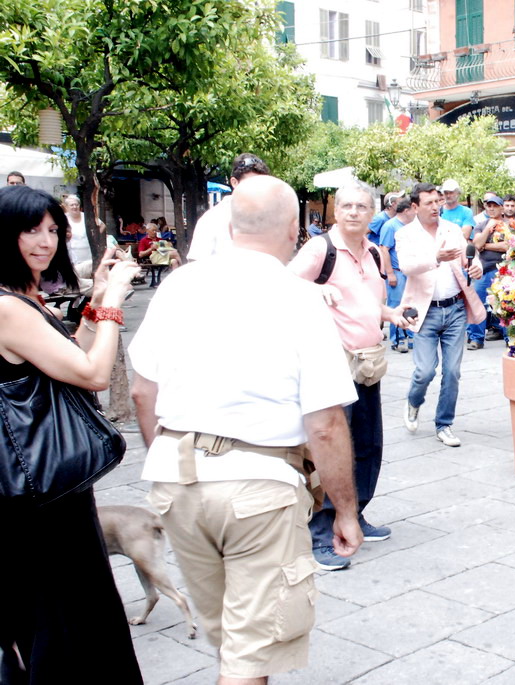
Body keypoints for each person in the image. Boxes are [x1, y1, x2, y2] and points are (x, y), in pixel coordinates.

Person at [130, 175, 363, 683]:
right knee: (249, 654)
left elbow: (143, 392)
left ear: (232, 226)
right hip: (258, 486)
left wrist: (168, 457)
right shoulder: (298, 298)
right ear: (294, 230)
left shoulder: (178, 286)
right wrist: (346, 509)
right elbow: (325, 424)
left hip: (176, 479)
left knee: (229, 641)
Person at [0, 185, 143, 684]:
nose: (45, 241)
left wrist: (97, 300)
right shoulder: (7, 307)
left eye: (53, 230)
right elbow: (93, 374)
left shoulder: (24, 298)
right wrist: (115, 303)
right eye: (30, 230)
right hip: (38, 494)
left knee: (77, 610)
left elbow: (71, 358)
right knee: (65, 616)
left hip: (52, 486)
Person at [290, 181, 411, 569]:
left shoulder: (373, 251)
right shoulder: (320, 249)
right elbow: (284, 287)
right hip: (332, 365)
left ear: (372, 213)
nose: (354, 212)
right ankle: (322, 532)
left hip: (367, 363)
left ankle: (354, 514)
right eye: (347, 206)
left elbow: (369, 302)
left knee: (367, 445)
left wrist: (391, 314)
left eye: (362, 206)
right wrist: (314, 293)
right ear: (336, 212)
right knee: (331, 452)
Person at [396, 182, 485, 448]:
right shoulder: (405, 234)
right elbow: (407, 267)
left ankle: (444, 424)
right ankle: (413, 401)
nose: (436, 207)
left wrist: (476, 266)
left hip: (455, 308)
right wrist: (436, 257)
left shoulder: (452, 229)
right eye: (429, 203)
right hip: (424, 312)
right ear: (415, 207)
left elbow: (469, 256)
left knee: (452, 371)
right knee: (425, 371)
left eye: (437, 201)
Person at [188, 153, 271, 261]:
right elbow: (195, 263)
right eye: (251, 183)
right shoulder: (213, 219)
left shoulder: (267, 216)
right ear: (234, 182)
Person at [466, 192, 510, 350]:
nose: (491, 209)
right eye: (488, 206)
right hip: (484, 270)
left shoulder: (509, 225)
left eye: (495, 206)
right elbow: (477, 244)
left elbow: (507, 246)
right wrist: (488, 229)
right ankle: (476, 338)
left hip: (504, 270)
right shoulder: (481, 225)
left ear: (501, 208)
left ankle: (509, 338)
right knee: (477, 304)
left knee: (506, 304)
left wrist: (487, 245)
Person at [379, 198, 416, 353]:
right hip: (397, 272)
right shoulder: (390, 226)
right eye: (414, 209)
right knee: (396, 305)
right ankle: (397, 340)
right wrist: (390, 273)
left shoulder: (412, 226)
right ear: (406, 210)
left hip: (411, 272)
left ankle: (411, 336)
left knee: (411, 304)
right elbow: (384, 249)